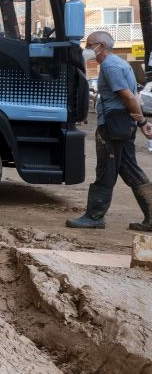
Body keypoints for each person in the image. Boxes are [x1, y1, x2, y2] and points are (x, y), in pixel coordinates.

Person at [67, 31, 152, 231]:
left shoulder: (110, 66)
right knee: (131, 170)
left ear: (101, 46)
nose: (86, 48)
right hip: (122, 125)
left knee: (106, 170)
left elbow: (129, 97)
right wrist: (139, 123)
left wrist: (141, 123)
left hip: (113, 127)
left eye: (89, 45)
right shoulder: (121, 63)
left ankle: (94, 216)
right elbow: (135, 96)